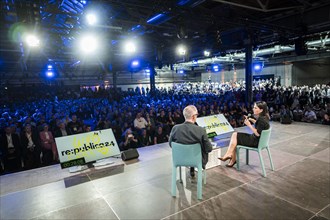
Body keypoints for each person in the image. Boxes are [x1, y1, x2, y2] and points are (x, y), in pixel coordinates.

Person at [219, 101, 270, 167]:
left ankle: (230, 156)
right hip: (260, 141)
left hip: (255, 142)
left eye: (255, 108)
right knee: (235, 138)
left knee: (235, 135)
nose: (253, 109)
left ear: (261, 110)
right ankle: (231, 158)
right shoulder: (265, 117)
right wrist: (252, 120)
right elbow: (260, 126)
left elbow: (258, 133)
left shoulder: (261, 120)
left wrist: (249, 125)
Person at [169, 105, 213, 178]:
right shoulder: (201, 130)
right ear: (193, 116)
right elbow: (209, 149)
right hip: (197, 159)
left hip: (180, 158)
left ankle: (191, 169)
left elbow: (171, 144)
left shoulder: (175, 128)